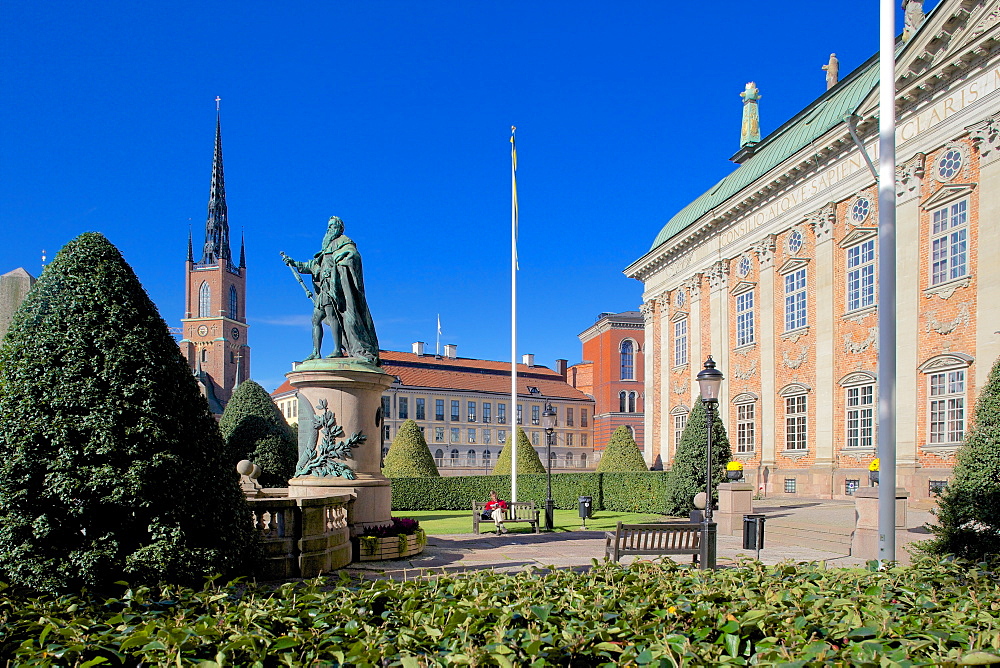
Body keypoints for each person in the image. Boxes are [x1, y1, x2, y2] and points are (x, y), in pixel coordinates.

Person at [282, 216, 380, 365]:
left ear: (339, 229)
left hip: (334, 290)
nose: (329, 229)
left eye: (332, 226)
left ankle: (337, 349)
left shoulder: (343, 242)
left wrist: (345, 256)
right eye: (328, 227)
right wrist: (294, 263)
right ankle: (316, 351)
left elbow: (353, 254)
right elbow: (312, 265)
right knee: (315, 320)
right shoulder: (325, 249)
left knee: (333, 318)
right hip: (323, 291)